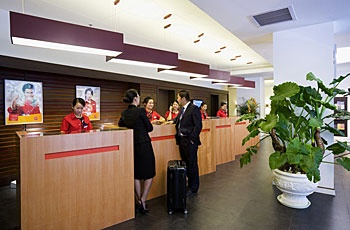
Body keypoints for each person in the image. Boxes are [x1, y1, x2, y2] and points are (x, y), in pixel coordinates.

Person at [118, 89, 156, 214]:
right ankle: (143, 199)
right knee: (149, 173)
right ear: (135, 98)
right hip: (144, 145)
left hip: (131, 146)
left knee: (137, 174)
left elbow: (120, 124)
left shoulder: (124, 112)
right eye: (138, 97)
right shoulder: (140, 111)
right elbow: (149, 128)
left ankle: (138, 200)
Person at [173, 90, 202, 195]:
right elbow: (177, 121)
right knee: (186, 163)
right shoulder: (182, 110)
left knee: (192, 164)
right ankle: (189, 184)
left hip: (190, 141)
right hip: (182, 141)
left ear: (183, 98)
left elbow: (198, 125)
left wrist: (192, 139)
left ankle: (194, 187)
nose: (177, 100)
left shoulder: (193, 109)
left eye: (178, 98)